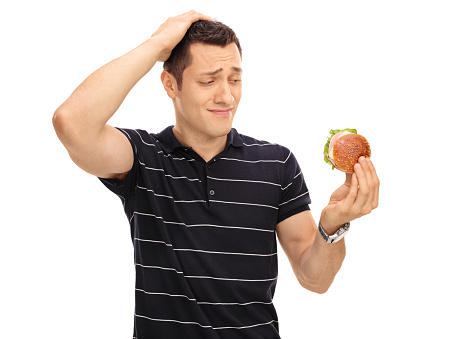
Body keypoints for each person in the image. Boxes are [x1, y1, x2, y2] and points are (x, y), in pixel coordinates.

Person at [53, 10, 379, 339]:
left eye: (234, 79)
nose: (226, 96)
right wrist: (158, 44)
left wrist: (333, 225)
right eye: (208, 80)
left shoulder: (276, 163)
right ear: (170, 84)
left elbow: (316, 280)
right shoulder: (143, 158)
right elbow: (72, 123)